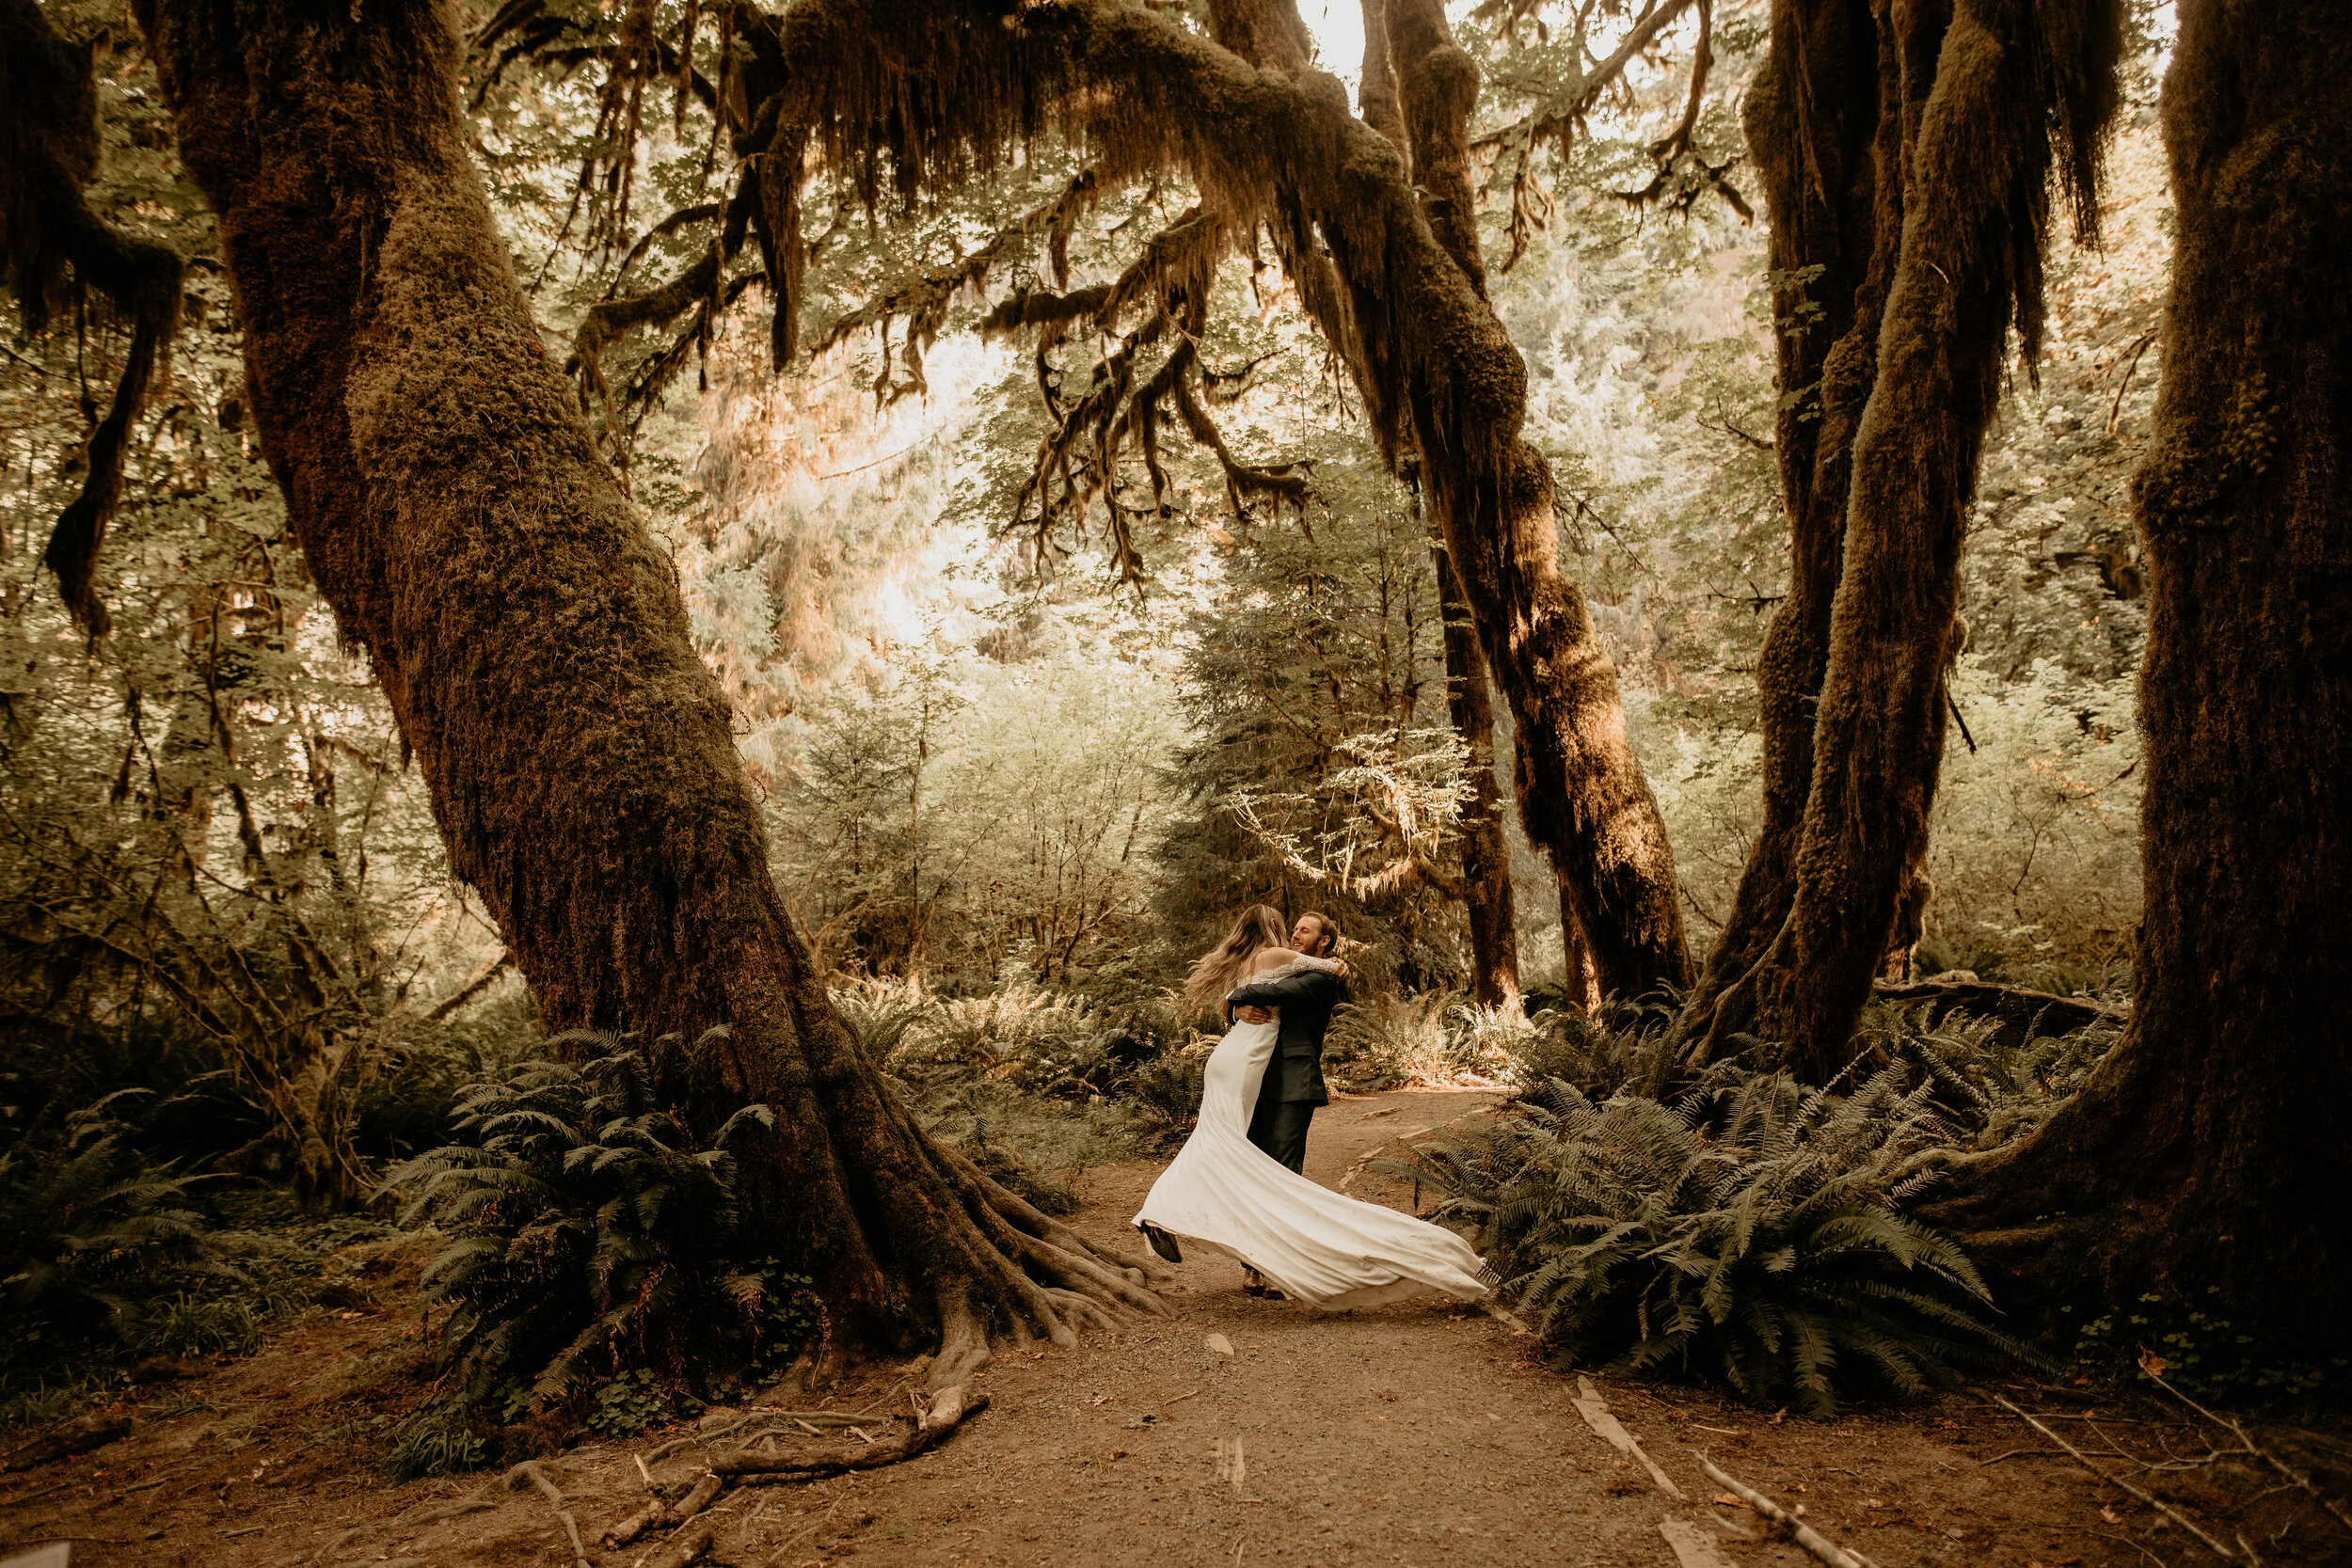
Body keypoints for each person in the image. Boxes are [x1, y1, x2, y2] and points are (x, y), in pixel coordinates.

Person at [1131, 906, 1489, 1310]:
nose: (1296, 934)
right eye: (1293, 928)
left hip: (1290, 1085)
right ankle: (1242, 1255)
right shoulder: (1289, 963)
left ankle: (1270, 1263)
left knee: (1281, 1174)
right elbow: (1251, 993)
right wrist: (1234, 1007)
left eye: (1306, 930)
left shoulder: (1320, 977)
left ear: (1325, 942)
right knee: (1247, 1168)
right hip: (1256, 1080)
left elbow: (1270, 992)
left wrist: (1238, 996)